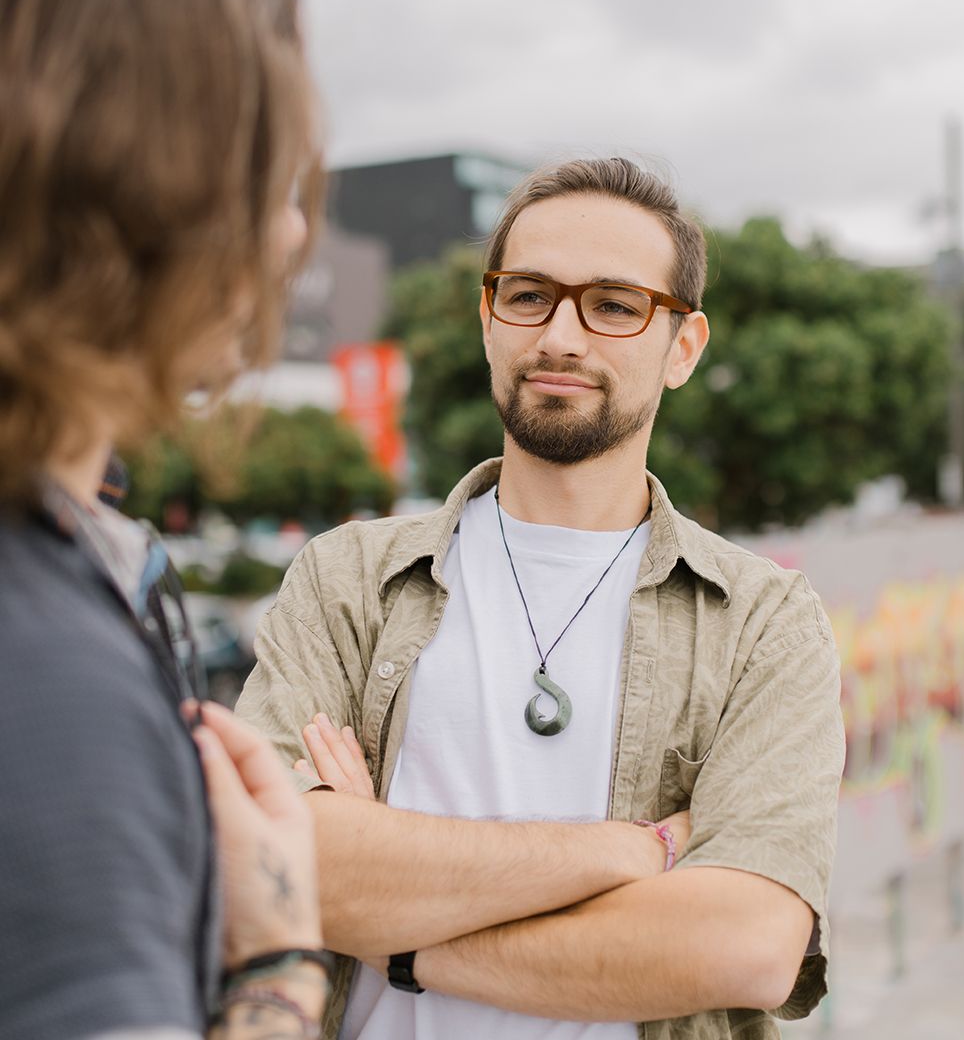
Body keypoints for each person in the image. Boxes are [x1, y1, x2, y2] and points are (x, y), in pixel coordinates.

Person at [236, 157, 845, 1040]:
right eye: (528, 296)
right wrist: (630, 852)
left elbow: (744, 946)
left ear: (683, 347)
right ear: (488, 321)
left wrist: (401, 941)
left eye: (614, 305)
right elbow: (269, 862)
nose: (562, 335)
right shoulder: (347, 581)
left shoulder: (761, 621)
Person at [0, 0, 333, 1036]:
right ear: (159, 190)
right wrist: (278, 972)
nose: (292, 238)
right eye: (276, 183)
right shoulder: (52, 681)